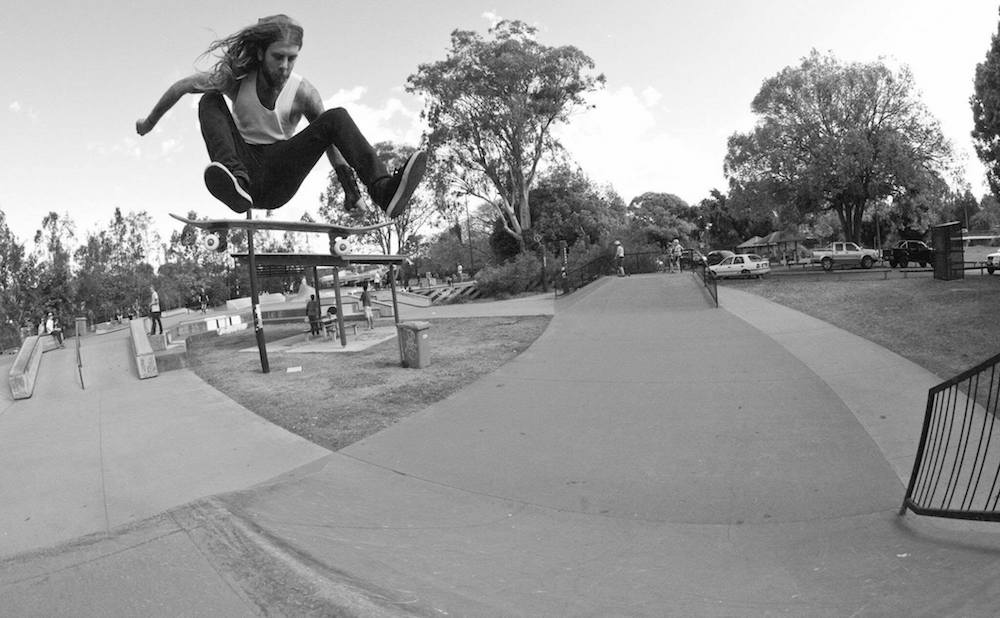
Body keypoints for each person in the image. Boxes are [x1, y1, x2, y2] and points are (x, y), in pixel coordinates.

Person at [135, 14, 426, 218]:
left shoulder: (304, 93)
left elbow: (332, 142)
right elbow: (182, 87)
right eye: (278, 57)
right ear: (261, 53)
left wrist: (350, 189)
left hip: (281, 174)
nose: (285, 66)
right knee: (209, 100)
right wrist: (148, 124)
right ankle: (235, 183)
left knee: (335, 117)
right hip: (243, 169)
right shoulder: (236, 79)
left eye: (292, 58)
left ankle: (383, 191)